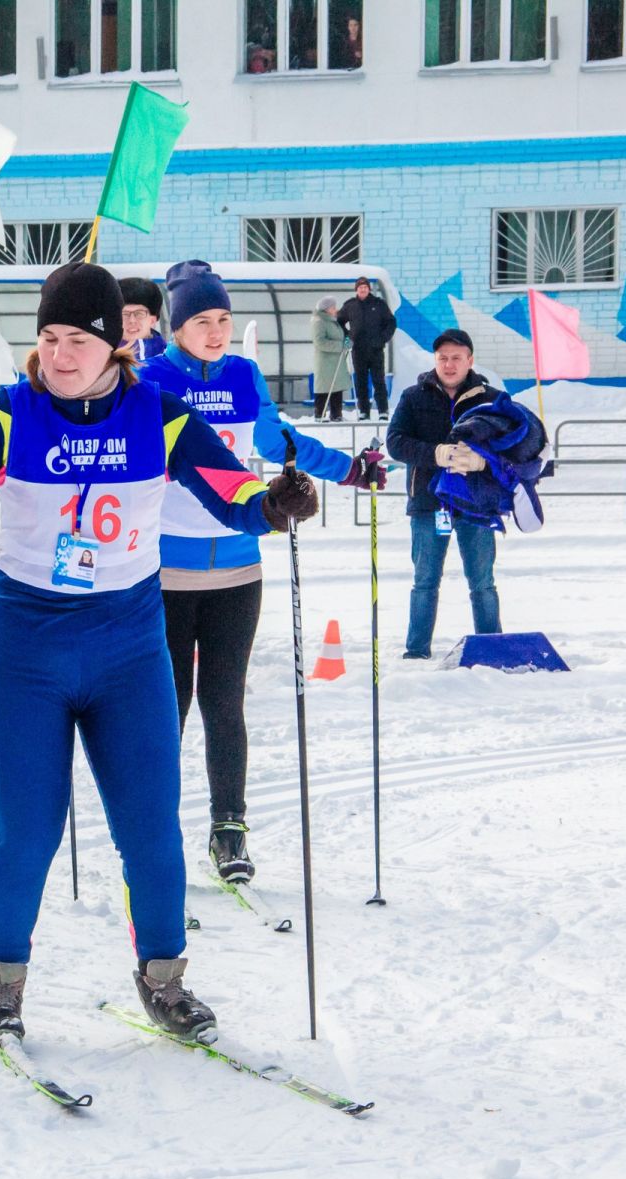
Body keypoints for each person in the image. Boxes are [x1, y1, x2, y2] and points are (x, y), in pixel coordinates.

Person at [0, 262, 322, 1046]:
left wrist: (275, 502)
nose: (59, 354)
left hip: (128, 646)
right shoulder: (8, 415)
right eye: (48, 338)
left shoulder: (158, 415)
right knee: (27, 831)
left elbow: (231, 489)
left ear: (114, 344)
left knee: (151, 827)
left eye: (77, 340)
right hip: (26, 645)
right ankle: (0, 984)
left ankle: (165, 980)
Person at [139, 262, 379, 884]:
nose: (216, 332)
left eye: (222, 320)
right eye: (201, 322)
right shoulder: (152, 380)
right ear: (176, 327)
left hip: (238, 569)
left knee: (225, 703)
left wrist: (349, 470)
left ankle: (229, 828)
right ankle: (154, 832)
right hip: (165, 572)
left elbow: (281, 442)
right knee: (171, 706)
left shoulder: (245, 376)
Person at [386, 328, 521, 660]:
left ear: (470, 360)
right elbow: (395, 442)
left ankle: (492, 648)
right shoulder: (414, 396)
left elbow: (514, 448)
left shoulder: (490, 398)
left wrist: (482, 461)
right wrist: (436, 454)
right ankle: (417, 652)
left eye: (456, 358)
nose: (449, 364)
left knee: (482, 583)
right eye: (443, 358)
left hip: (476, 504)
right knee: (425, 582)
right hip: (428, 503)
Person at [336, 276, 396, 421]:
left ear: (369, 289)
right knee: (361, 382)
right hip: (358, 350)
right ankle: (364, 411)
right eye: (360, 287)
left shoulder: (379, 304)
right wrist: (348, 337)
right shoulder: (350, 305)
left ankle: (383, 410)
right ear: (356, 290)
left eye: (365, 287)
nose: (363, 290)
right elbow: (339, 322)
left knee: (378, 381)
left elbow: (391, 322)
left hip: (376, 350)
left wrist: (383, 338)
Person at [310, 295, 346, 422]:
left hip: (335, 361)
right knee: (324, 387)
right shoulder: (319, 321)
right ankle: (320, 413)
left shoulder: (332, 321)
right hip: (325, 361)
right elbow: (319, 342)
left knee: (336, 385)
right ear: (327, 309)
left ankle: (336, 414)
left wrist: (346, 341)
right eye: (333, 307)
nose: (336, 309)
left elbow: (339, 336)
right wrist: (340, 346)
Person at [118, 277, 167, 363]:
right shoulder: (103, 352)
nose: (132, 320)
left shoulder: (166, 357)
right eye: (125, 314)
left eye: (139, 314)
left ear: (152, 320)